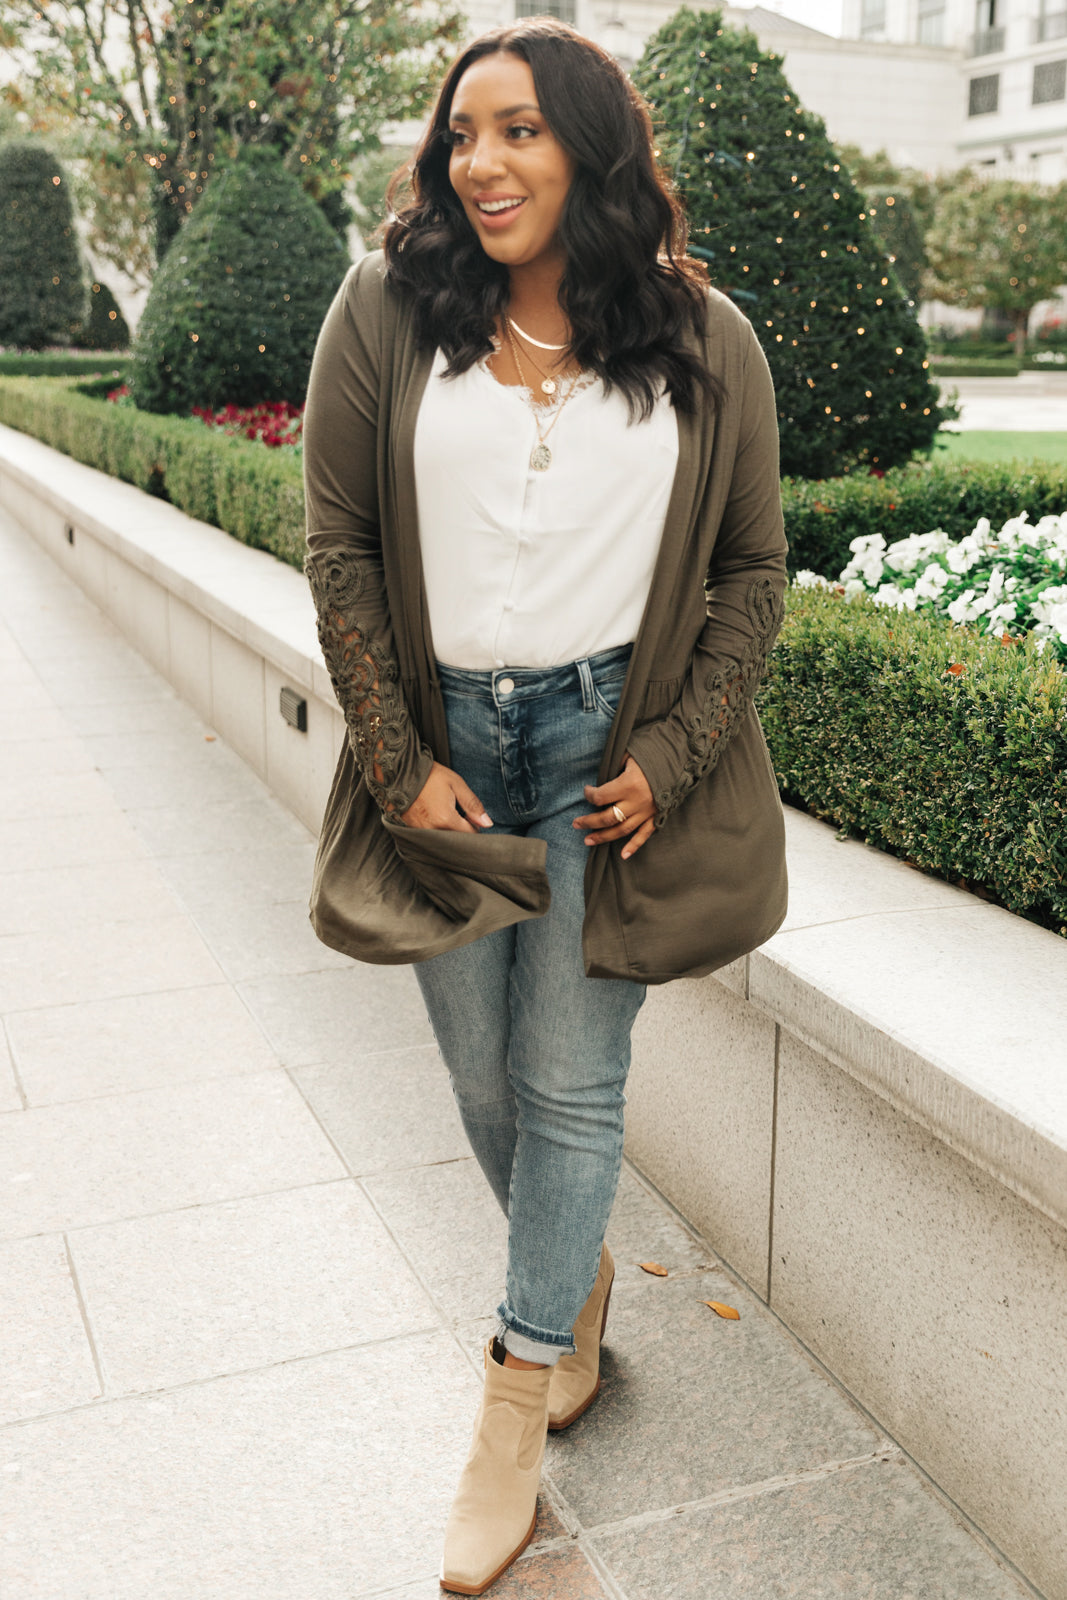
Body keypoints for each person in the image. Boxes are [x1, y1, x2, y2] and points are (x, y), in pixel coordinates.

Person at [302, 18, 788, 1594]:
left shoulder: (707, 340)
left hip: (601, 752)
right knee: (481, 1075)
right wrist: (396, 757)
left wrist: (675, 753)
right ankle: (567, 1286)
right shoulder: (389, 311)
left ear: (590, 146)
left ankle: (513, 1404)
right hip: (442, 740)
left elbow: (751, 573)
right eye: (462, 134)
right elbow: (342, 552)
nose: (481, 162)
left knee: (570, 1079)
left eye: (516, 131)